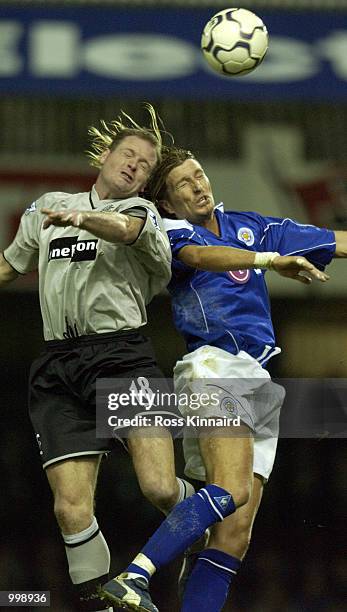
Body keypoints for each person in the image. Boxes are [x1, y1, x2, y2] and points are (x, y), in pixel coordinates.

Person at [101, 147, 339, 612]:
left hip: (258, 379)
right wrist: (268, 261)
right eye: (184, 184)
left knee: (234, 534)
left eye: (200, 175)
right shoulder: (169, 231)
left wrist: (269, 252)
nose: (199, 185)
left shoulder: (250, 226)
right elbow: (201, 255)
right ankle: (133, 576)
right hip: (215, 367)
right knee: (231, 488)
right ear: (167, 202)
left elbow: (333, 238)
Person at [0, 107, 198, 612]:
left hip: (122, 358)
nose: (135, 165)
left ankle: (198, 521)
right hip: (57, 366)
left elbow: (126, 231)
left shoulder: (146, 216)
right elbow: (9, 265)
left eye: (146, 165)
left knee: (157, 486)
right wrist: (72, 214)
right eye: (128, 155)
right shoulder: (48, 207)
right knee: (69, 508)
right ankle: (102, 604)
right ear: (106, 157)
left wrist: (86, 217)